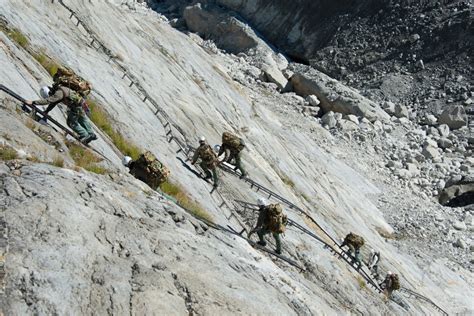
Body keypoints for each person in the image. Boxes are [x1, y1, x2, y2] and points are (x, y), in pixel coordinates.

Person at [25, 85, 97, 144]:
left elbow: (49, 101)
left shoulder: (58, 93)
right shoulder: (60, 89)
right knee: (82, 119)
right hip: (81, 104)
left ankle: (85, 135)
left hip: (76, 106)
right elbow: (53, 103)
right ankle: (91, 134)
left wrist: (33, 102)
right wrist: (46, 111)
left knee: (71, 122)